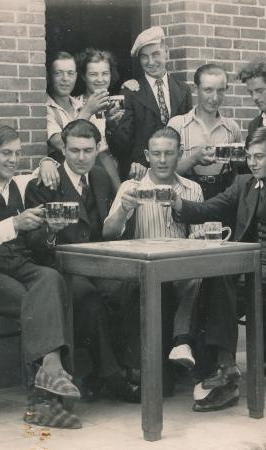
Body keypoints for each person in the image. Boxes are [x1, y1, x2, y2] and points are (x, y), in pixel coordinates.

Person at [0, 125, 83, 429]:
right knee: (33, 301)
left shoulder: (22, 184)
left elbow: (46, 170)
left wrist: (48, 227)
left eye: (17, 153)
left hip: (18, 264)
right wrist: (15, 223)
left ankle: (49, 379)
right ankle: (43, 399)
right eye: (6, 153)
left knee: (52, 278)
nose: (13, 160)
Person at [173, 127, 266, 412]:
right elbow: (209, 208)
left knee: (214, 287)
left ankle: (208, 366)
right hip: (247, 265)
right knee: (216, 279)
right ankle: (223, 371)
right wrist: (178, 203)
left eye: (259, 156)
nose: (252, 163)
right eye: (248, 156)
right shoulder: (243, 183)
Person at [25, 119, 139, 403]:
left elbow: (108, 229)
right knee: (89, 299)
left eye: (88, 150)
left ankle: (127, 368)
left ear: (97, 148)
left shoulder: (100, 177)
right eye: (74, 150)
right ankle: (112, 377)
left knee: (133, 288)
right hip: (61, 267)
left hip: (98, 265)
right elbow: (32, 242)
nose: (81, 157)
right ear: (63, 149)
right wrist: (51, 230)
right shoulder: (44, 182)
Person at [103, 127, 204, 397]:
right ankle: (173, 353)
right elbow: (108, 233)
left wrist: (197, 236)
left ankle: (182, 344)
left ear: (179, 153)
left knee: (198, 275)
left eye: (168, 153)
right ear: (147, 155)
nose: (162, 160)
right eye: (156, 154)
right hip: (145, 272)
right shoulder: (131, 187)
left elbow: (199, 240)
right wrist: (124, 209)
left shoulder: (192, 189)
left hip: (181, 271)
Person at [108, 26, 192, 181]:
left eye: (155, 54)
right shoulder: (131, 92)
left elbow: (187, 136)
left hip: (178, 174)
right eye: (144, 57)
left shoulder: (183, 90)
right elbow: (123, 145)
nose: (150, 62)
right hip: (142, 174)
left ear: (166, 52)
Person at [168, 63, 242, 200]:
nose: (215, 98)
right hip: (187, 196)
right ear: (195, 89)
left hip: (222, 196)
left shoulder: (232, 128)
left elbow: (238, 173)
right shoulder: (177, 125)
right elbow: (165, 173)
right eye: (208, 90)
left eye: (220, 91)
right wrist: (194, 159)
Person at [46, 51, 109, 164]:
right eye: (58, 73)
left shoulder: (80, 104)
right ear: (49, 76)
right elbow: (60, 144)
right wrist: (87, 111)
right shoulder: (44, 109)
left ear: (76, 76)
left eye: (70, 73)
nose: (65, 78)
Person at [75, 48, 124, 190]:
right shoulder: (74, 105)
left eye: (105, 73)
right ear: (83, 76)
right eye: (93, 74)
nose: (100, 79)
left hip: (121, 169)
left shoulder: (119, 102)